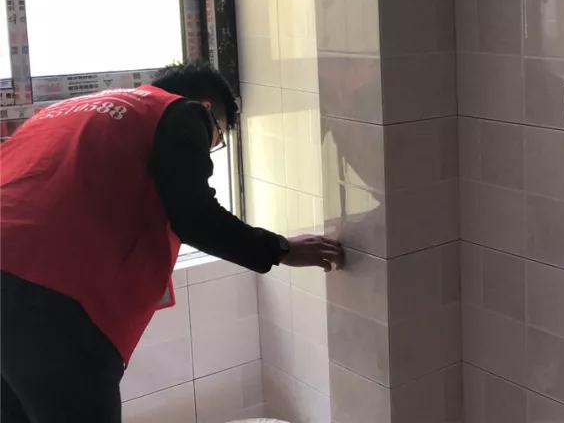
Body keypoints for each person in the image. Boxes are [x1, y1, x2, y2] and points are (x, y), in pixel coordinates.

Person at [0, 60, 345, 423]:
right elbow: (195, 216)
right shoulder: (180, 112)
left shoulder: (62, 113)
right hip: (47, 297)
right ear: (208, 110)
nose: (210, 146)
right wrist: (281, 249)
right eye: (218, 137)